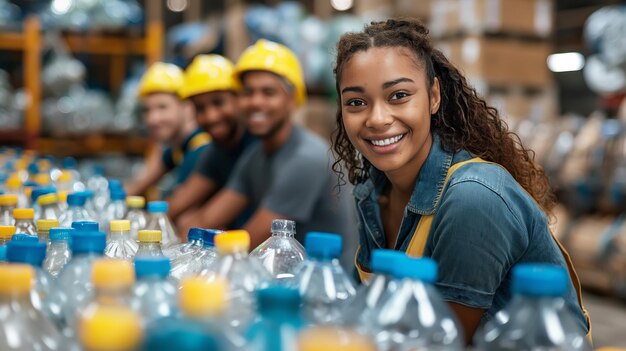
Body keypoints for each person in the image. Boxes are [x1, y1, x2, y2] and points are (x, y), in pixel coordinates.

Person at [332, 19, 591, 343]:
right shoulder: (372, 193)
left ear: (434, 97)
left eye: (398, 95)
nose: (377, 118)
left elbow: (439, 343)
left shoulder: (472, 198)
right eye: (356, 102)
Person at [179, 40, 356, 255]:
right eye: (248, 92)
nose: (255, 102)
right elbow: (205, 220)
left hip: (319, 283)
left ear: (291, 99)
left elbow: (243, 246)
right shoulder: (256, 155)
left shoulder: (306, 158)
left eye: (268, 92)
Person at [167, 55, 257, 223]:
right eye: (200, 108)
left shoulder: (258, 148)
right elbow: (176, 205)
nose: (211, 116)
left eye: (218, 102)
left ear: (239, 99)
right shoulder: (216, 151)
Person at [126, 62, 210, 196]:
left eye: (162, 107)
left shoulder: (200, 150)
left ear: (188, 107)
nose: (152, 119)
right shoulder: (178, 149)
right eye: (147, 110)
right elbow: (136, 187)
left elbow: (178, 210)